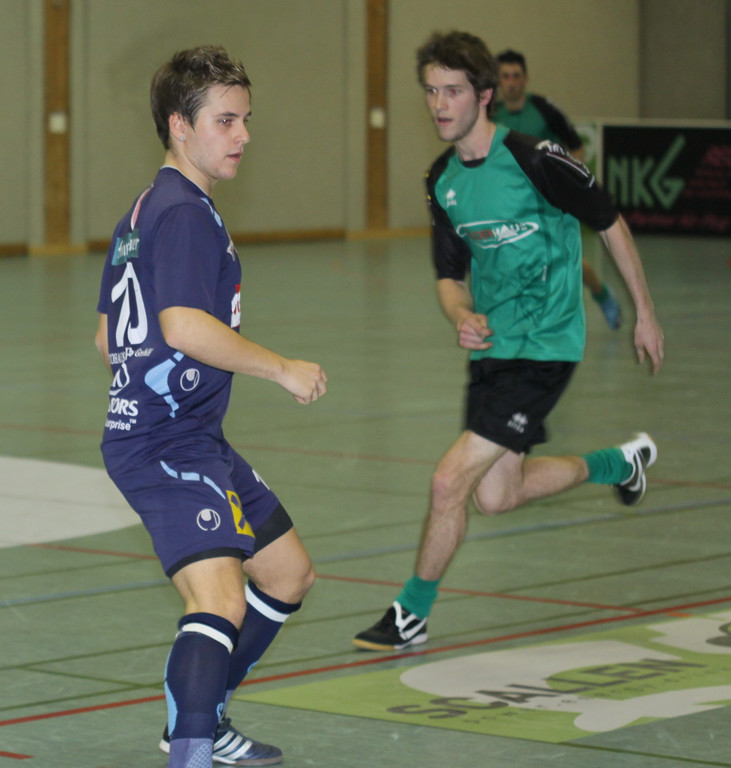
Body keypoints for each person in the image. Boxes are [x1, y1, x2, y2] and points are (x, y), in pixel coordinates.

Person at [353, 31, 664, 652]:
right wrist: (460, 313)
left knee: (449, 481)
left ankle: (411, 613)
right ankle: (620, 463)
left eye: (453, 91)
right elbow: (448, 276)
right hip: (493, 349)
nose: (439, 104)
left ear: (485, 95)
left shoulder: (535, 158)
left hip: (546, 345)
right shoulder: (442, 180)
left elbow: (609, 222)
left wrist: (644, 313)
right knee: (497, 495)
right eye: (431, 92)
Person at [94, 46, 327, 767]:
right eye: (226, 121)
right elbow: (183, 327)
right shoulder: (184, 214)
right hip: (165, 443)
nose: (243, 135)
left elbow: (106, 337)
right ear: (179, 124)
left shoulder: (143, 211)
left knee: (286, 573)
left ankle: (200, 715)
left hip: (189, 434)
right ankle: (190, 745)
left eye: (245, 119)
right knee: (220, 599)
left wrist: (152, 384)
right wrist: (281, 368)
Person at [495, 48, 623, 330]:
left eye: (516, 76)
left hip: (547, 202)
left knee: (563, 261)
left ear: (526, 79)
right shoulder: (491, 114)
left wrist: (566, 188)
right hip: (510, 204)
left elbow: (576, 147)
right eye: (505, 76)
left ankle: (601, 294)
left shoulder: (545, 110)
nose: (511, 82)